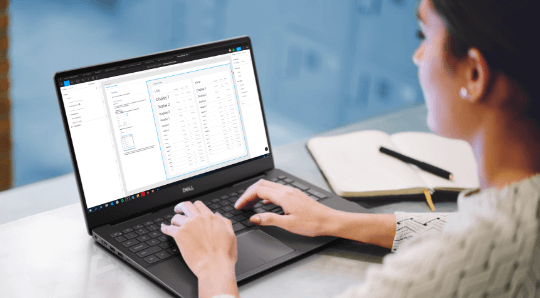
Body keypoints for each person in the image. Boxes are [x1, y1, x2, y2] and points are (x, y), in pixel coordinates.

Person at [161, 0, 540, 296]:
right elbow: (462, 230)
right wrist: (336, 221)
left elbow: (469, 248)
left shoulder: (445, 266)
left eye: (424, 36)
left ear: (474, 74)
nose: (418, 57)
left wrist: (214, 268)